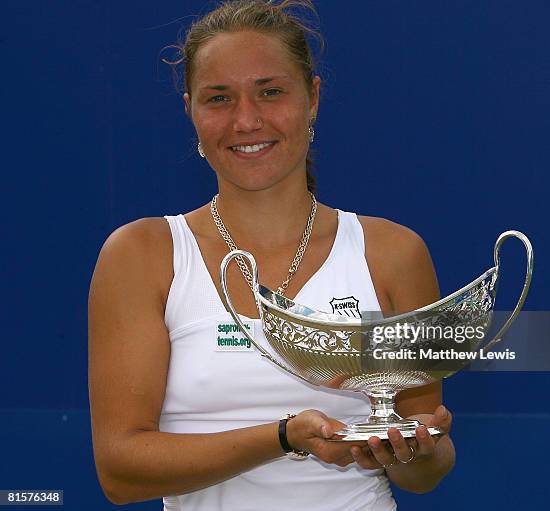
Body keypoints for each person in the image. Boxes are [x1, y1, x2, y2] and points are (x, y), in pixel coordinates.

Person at [88, 0, 455, 509]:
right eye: (219, 98)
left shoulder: (394, 254)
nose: (246, 120)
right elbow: (120, 472)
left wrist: (414, 451)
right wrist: (284, 436)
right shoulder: (142, 256)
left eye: (271, 92)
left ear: (314, 99)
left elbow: (424, 471)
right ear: (190, 110)